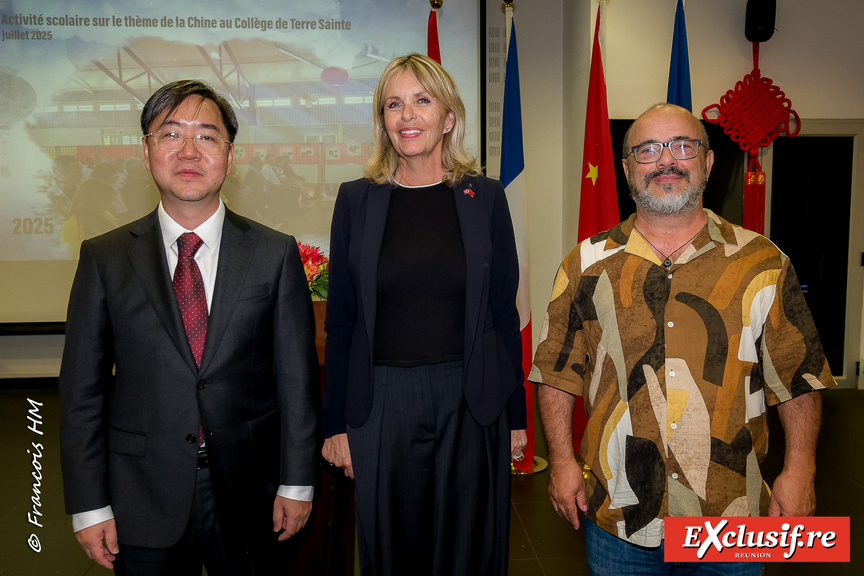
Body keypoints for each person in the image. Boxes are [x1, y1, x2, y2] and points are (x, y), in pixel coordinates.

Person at [531, 103, 837, 575]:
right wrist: (562, 462)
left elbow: (798, 374)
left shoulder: (762, 261)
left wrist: (801, 468)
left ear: (708, 163)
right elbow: (555, 372)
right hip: (622, 516)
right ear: (627, 168)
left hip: (731, 517)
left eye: (683, 146)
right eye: (648, 150)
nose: (666, 160)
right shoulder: (586, 264)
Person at [59, 79, 321, 575]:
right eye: (170, 134)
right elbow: (81, 393)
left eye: (206, 136)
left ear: (230, 153)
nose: (188, 151)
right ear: (146, 151)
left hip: (251, 493)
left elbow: (297, 380)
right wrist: (89, 504)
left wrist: (297, 482)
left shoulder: (273, 253)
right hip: (140, 493)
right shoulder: (105, 258)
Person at [320, 53, 527, 575]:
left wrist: (517, 419)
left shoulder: (486, 197)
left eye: (422, 100)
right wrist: (336, 424)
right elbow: (342, 320)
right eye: (394, 104)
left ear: (448, 117)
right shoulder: (356, 201)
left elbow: (503, 312)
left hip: (471, 399)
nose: (407, 115)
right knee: (393, 554)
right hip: (381, 403)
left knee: (469, 553)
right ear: (383, 120)